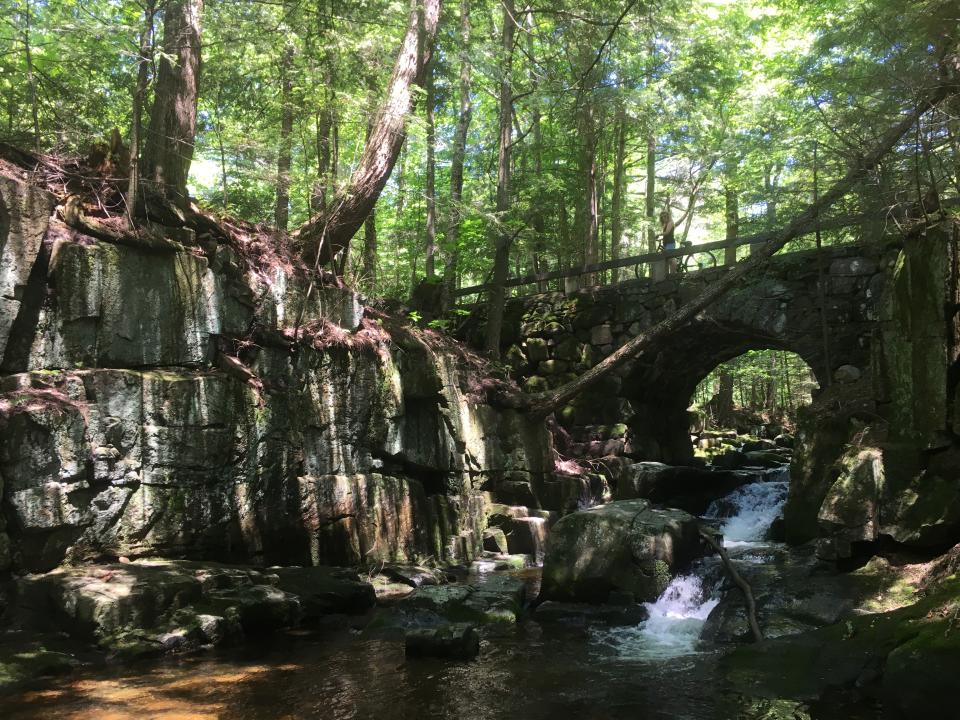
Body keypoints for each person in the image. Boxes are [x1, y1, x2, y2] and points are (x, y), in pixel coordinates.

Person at [660, 205, 677, 274]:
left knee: (671, 258)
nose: (664, 218)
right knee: (667, 259)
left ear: (668, 216)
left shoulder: (670, 223)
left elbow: (667, 233)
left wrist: (659, 234)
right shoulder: (665, 224)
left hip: (670, 242)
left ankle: (673, 274)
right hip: (666, 243)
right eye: (662, 217)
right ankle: (669, 274)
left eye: (665, 216)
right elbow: (665, 234)